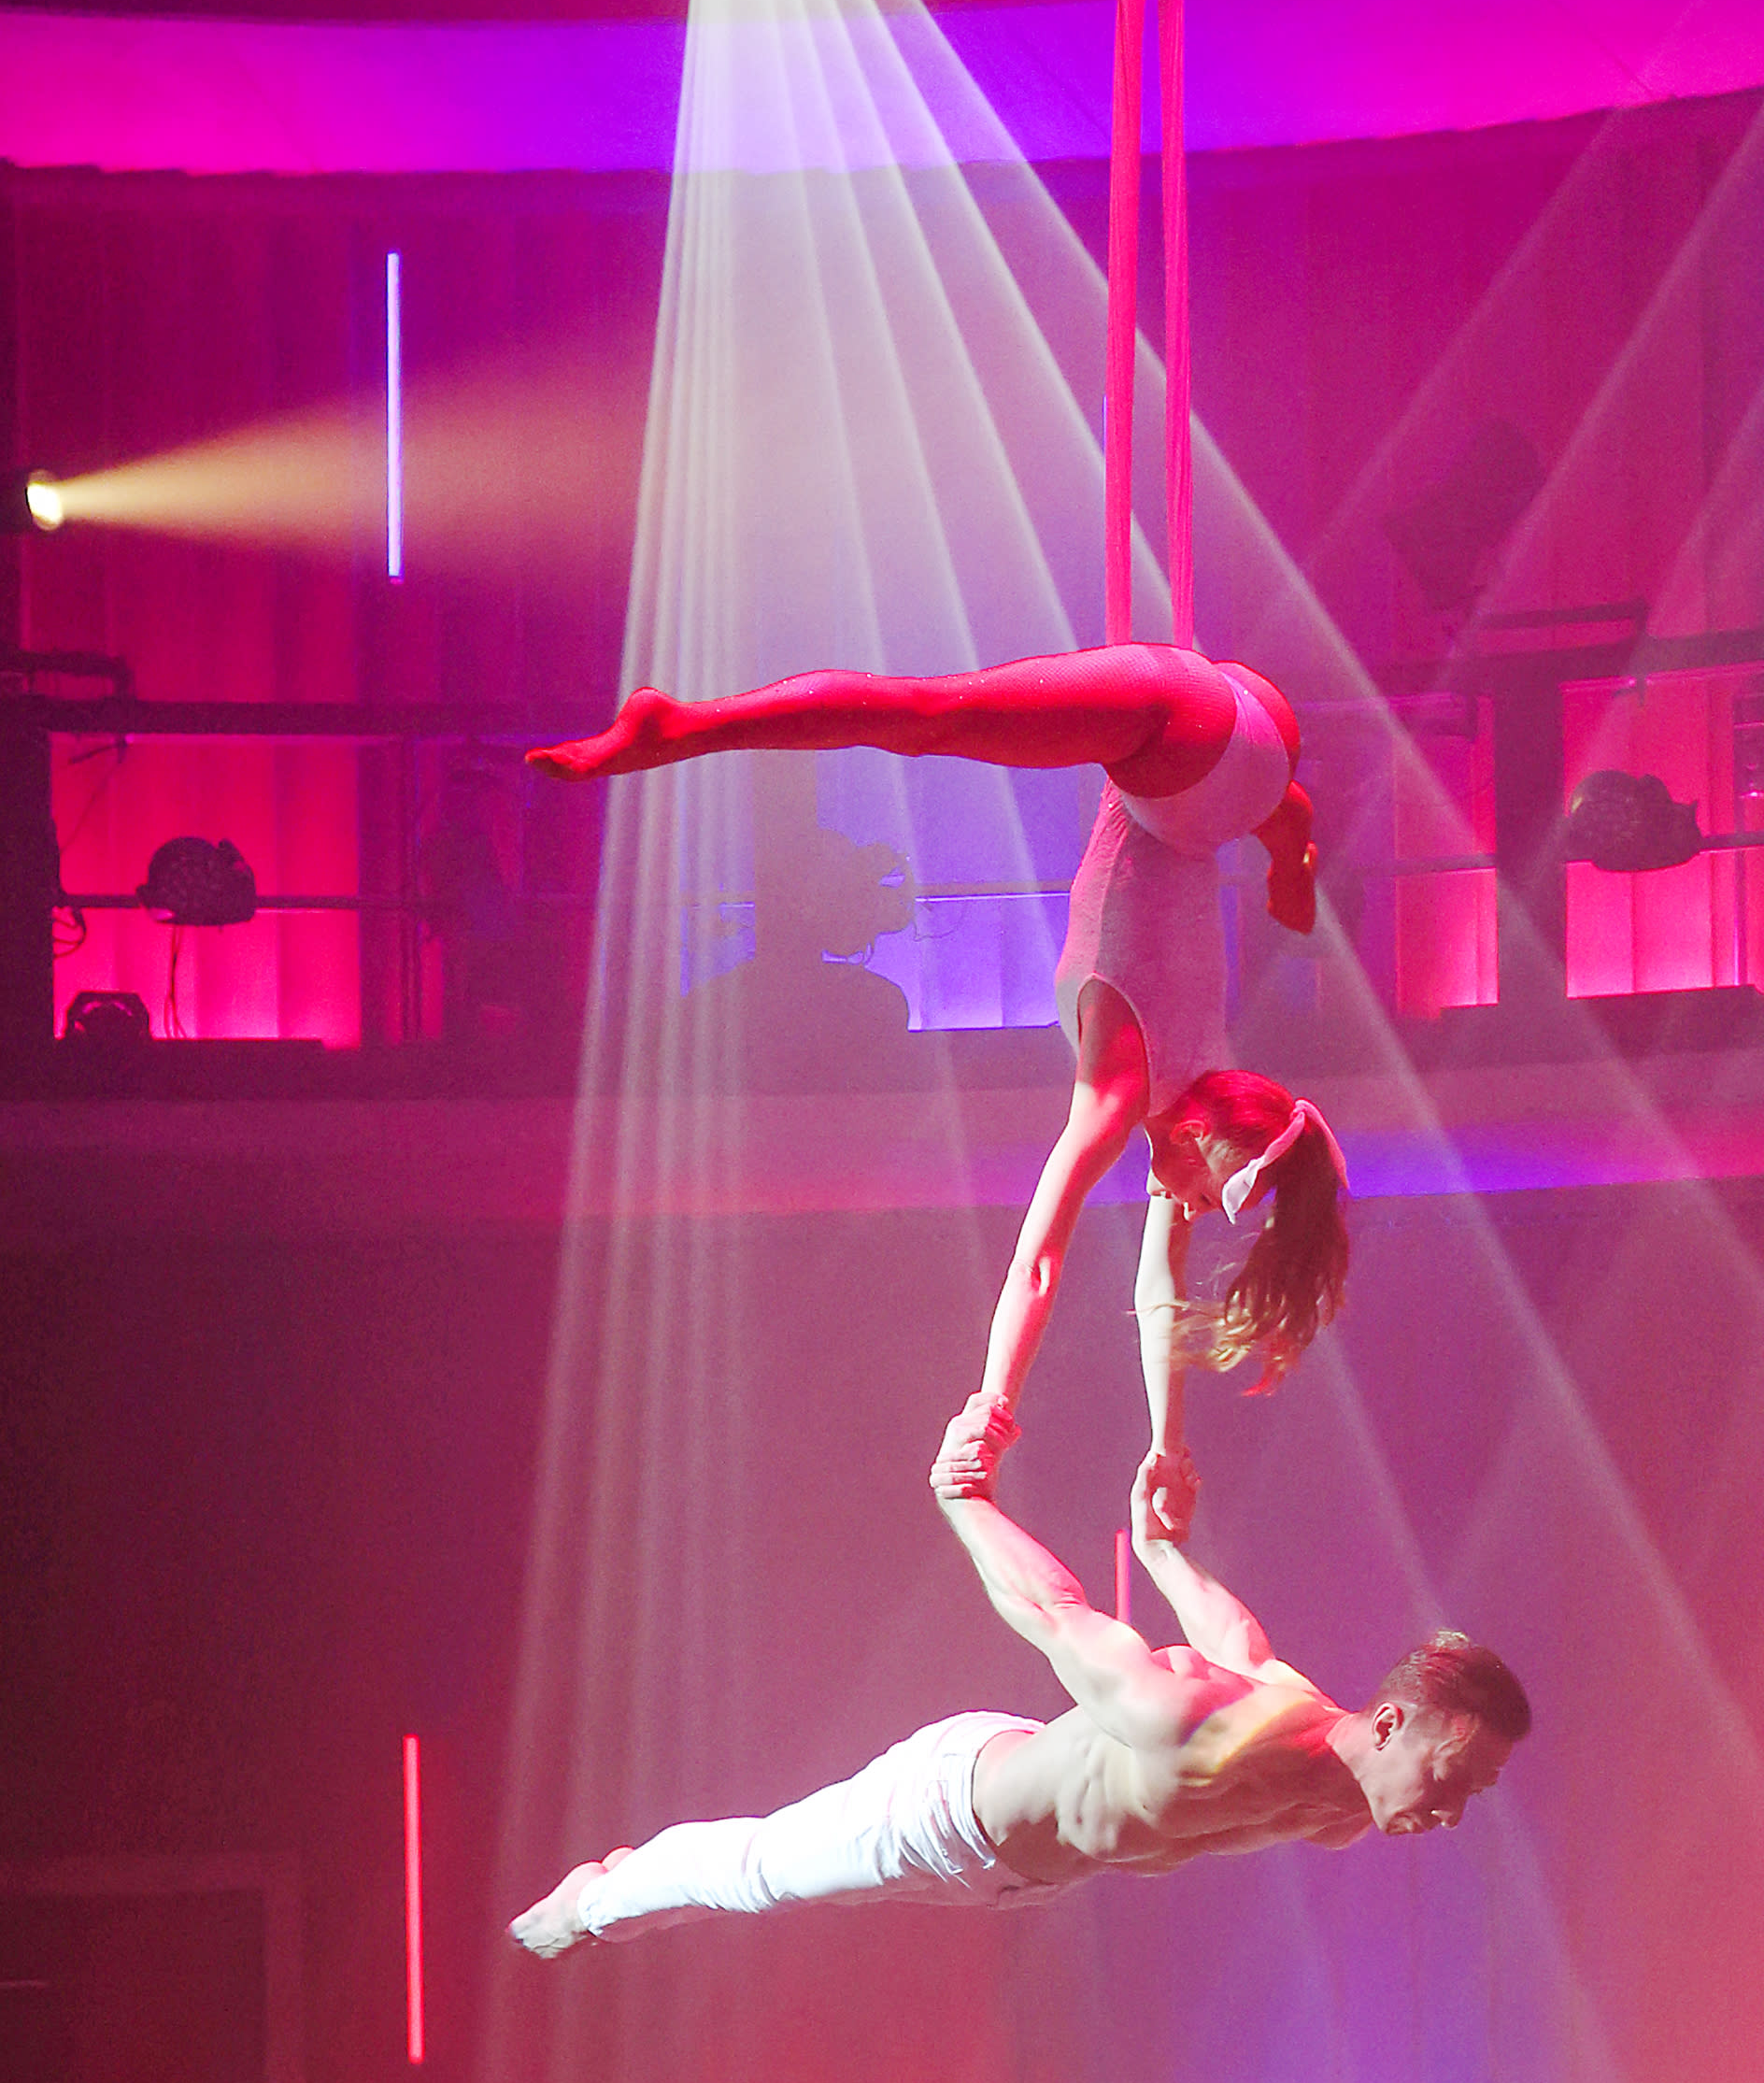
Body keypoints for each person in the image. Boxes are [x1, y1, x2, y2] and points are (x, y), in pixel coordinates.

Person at [533, 642, 1345, 1532]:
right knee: (927, 715)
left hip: (1258, 763)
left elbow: (1159, 1289)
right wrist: (990, 1411)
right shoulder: (1123, 1094)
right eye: (1204, 1196)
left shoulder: (1209, 1078)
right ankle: (681, 727)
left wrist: (1168, 1445)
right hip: (1186, 742)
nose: (1189, 1209)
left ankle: (1289, 860)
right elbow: (1040, 1263)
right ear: (1195, 1140)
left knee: (1265, 816)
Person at [509, 1414, 1528, 1957]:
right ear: (1390, 1723)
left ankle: (620, 1898)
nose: (1451, 1812)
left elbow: (1240, 1639)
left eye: (1471, 1794)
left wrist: (1165, 1551)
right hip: (948, 1811)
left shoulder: (1340, 1800)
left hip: (1017, 1876)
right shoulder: (1200, 1726)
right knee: (759, 1875)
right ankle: (592, 1901)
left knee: (743, 1889)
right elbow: (1055, 1614)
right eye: (1453, 1777)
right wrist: (965, 1499)